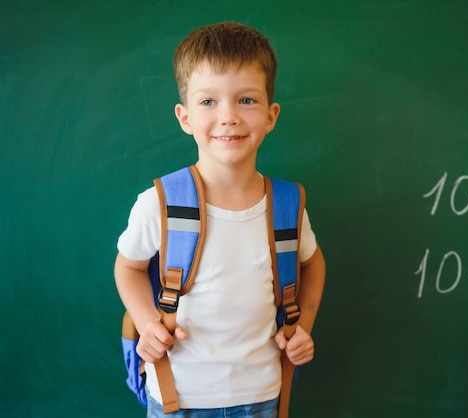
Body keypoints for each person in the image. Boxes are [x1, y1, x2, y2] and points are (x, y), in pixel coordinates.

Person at [114, 22, 326, 418]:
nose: (228, 116)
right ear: (185, 117)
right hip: (178, 397)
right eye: (209, 102)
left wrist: (303, 327)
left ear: (271, 115)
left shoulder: (286, 205)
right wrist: (147, 324)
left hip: (263, 395)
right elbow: (128, 266)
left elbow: (312, 263)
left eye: (246, 100)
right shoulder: (158, 203)